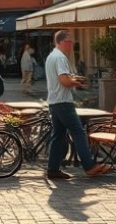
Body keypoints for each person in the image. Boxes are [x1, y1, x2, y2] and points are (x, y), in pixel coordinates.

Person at [45, 29, 110, 179]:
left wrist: (74, 78)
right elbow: (64, 81)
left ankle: (53, 170)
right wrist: (77, 83)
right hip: (63, 102)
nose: (71, 45)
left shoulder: (51, 56)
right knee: (79, 132)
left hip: (54, 102)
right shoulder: (60, 58)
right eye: (69, 42)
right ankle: (89, 166)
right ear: (61, 42)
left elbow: (62, 77)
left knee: (58, 136)